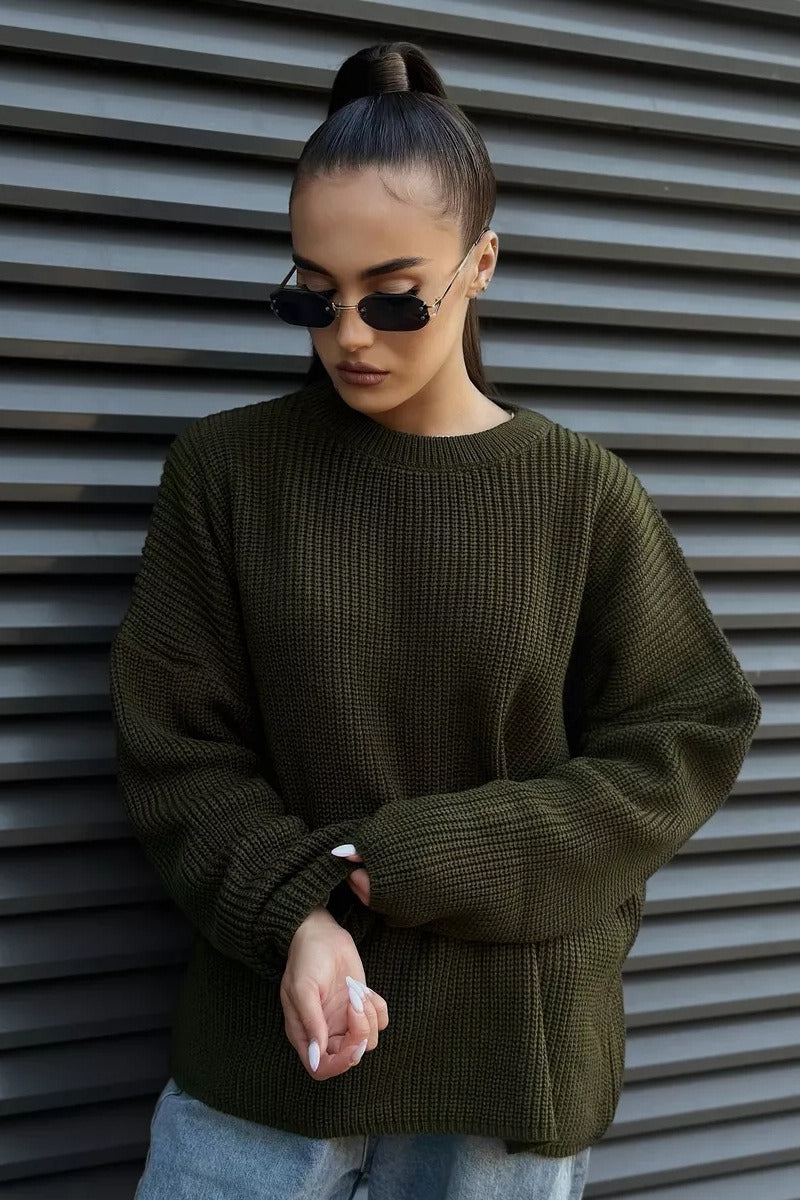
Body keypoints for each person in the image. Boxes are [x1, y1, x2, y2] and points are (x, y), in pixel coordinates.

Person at [109, 40, 762, 1200]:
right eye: (312, 294)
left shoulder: (576, 495)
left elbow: (685, 736)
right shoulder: (228, 476)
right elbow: (173, 749)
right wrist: (296, 915)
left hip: (504, 1070)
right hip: (266, 1055)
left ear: (481, 265)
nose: (349, 334)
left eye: (393, 295)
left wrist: (417, 859)